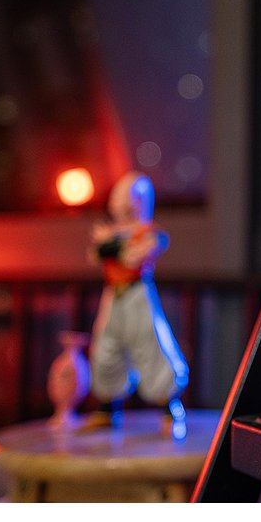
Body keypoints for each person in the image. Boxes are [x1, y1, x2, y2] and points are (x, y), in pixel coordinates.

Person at [84, 171, 189, 438]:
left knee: (151, 345)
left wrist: (113, 245)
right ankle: (108, 408)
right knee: (105, 347)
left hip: (137, 293)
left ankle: (169, 408)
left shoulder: (148, 233)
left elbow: (133, 257)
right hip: (113, 295)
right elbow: (95, 255)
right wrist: (111, 245)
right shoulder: (112, 232)